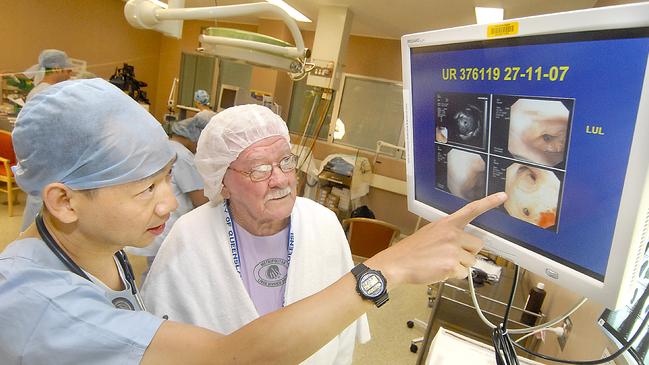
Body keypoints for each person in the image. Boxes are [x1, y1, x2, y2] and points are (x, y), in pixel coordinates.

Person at [0, 78, 507, 364]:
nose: (168, 203)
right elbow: (230, 359)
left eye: (165, 180)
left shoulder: (101, 251)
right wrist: (387, 269)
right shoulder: (40, 304)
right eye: (145, 190)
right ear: (65, 202)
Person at [141, 105, 370, 364]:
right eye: (259, 169)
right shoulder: (190, 234)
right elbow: (162, 337)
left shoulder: (324, 224)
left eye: (286, 161)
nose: (281, 179)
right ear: (222, 182)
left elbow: (344, 324)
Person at [127, 109, 210, 278]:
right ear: (198, 137)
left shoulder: (166, 148)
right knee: (161, 274)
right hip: (168, 227)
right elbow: (200, 199)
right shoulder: (183, 156)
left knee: (155, 270)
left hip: (155, 224)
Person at [20, 49, 75, 232]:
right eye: (68, 70)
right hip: (45, 157)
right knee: (40, 201)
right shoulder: (45, 94)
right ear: (57, 69)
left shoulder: (46, 91)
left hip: (46, 156)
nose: (70, 74)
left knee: (44, 201)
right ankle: (29, 239)